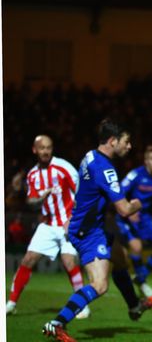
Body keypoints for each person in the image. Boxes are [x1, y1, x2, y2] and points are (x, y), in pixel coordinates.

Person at [42, 119, 152, 341]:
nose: (129, 146)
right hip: (88, 232)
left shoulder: (90, 155)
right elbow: (124, 209)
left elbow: (87, 190)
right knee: (100, 285)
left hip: (90, 226)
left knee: (120, 260)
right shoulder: (105, 169)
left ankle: (134, 306)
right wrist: (138, 204)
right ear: (112, 141)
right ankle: (57, 323)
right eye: (127, 141)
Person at [6, 135, 90, 318]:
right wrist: (42, 196)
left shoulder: (64, 167)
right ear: (34, 150)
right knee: (28, 259)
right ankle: (11, 303)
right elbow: (31, 201)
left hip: (68, 223)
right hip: (48, 224)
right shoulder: (32, 175)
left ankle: (82, 306)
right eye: (42, 148)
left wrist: (74, 219)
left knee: (69, 262)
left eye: (48, 148)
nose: (45, 151)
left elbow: (82, 193)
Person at [117, 146, 152, 303]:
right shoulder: (135, 175)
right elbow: (118, 192)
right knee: (137, 247)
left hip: (145, 217)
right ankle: (141, 282)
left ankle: (140, 278)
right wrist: (128, 209)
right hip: (127, 215)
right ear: (146, 161)